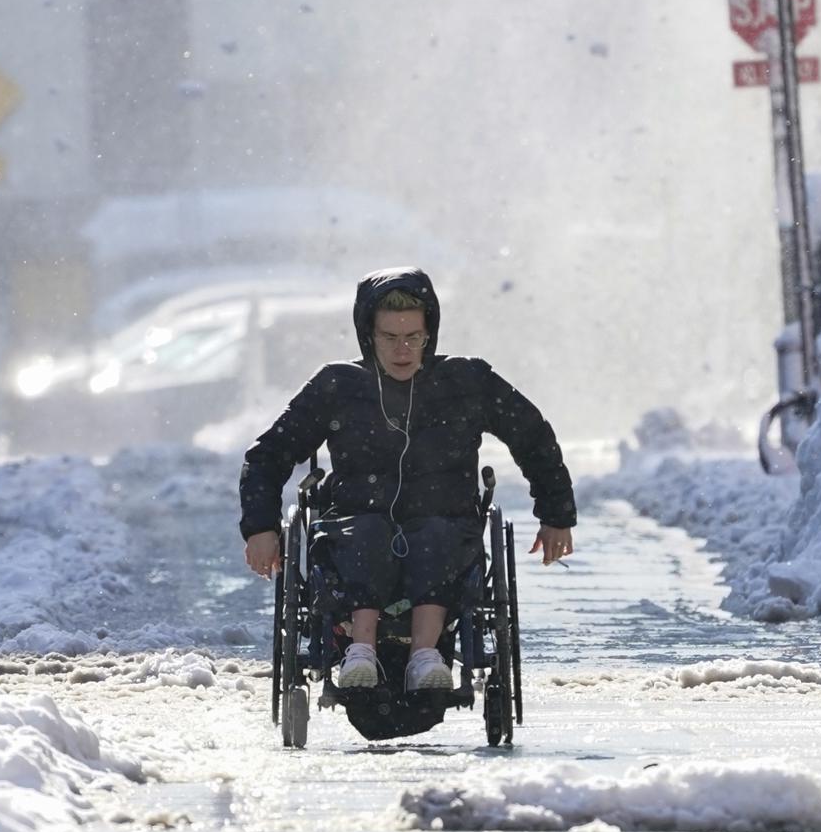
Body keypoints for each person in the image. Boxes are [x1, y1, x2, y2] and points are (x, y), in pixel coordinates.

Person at [240, 268, 576, 692]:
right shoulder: (338, 385)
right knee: (367, 532)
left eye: (413, 337)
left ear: (429, 334)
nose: (403, 350)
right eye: (390, 338)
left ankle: (425, 654)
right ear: (369, 336)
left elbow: (533, 437)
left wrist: (556, 514)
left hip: (444, 526)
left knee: (435, 533)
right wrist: (261, 527)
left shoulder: (464, 381)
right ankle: (359, 652)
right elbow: (267, 455)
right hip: (355, 526)